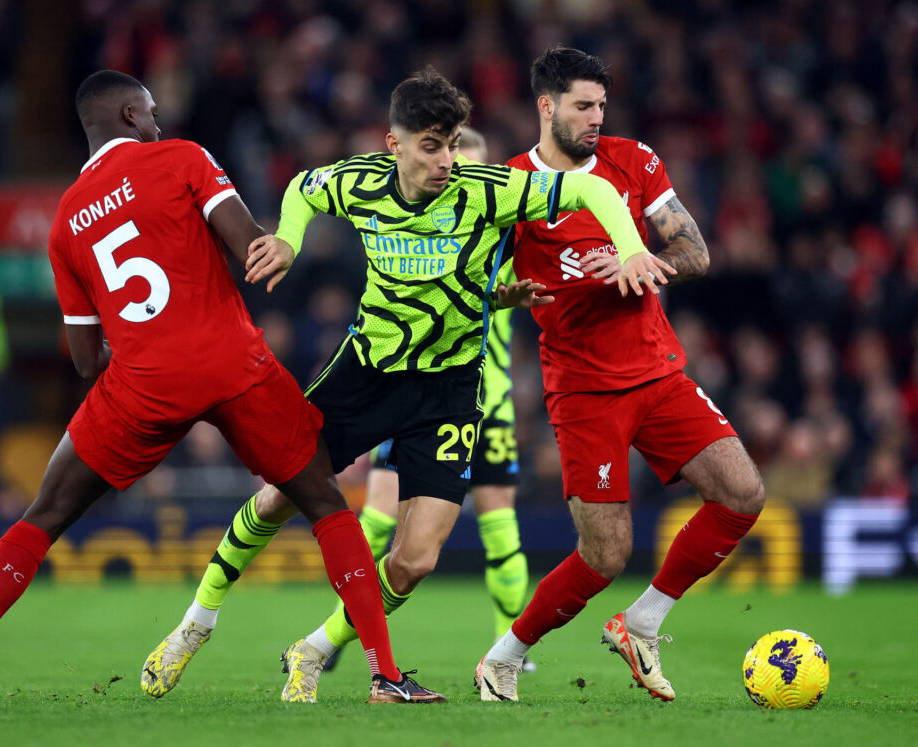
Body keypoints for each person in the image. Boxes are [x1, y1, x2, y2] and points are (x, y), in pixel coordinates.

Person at [0, 70, 442, 706]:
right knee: (323, 503)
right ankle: (385, 676)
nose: (157, 121)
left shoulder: (66, 220)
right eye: (150, 112)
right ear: (130, 114)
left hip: (144, 382)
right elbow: (250, 248)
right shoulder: (183, 157)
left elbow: (81, 358)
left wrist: (135, 345)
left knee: (42, 515)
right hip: (232, 363)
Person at [142, 67, 672, 704]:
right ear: (394, 145)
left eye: (451, 143)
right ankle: (195, 624)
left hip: (448, 389)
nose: (447, 159)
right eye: (431, 145)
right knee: (282, 495)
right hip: (367, 373)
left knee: (417, 559)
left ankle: (313, 649)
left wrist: (630, 247)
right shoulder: (358, 181)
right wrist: (286, 240)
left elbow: (594, 195)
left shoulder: (489, 190)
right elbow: (303, 189)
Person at [475, 46, 765, 703]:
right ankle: (502, 657)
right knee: (606, 553)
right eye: (583, 105)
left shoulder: (635, 161)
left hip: (657, 371)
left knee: (742, 494)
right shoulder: (512, 189)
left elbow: (695, 248)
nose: (596, 117)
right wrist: (507, 296)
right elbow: (473, 287)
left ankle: (642, 622)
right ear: (546, 107)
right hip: (582, 387)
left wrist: (650, 264)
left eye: (601, 104)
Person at [323, 126, 533, 674]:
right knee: (375, 521)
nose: (464, 171)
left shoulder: (514, 236)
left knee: (499, 527)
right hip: (417, 389)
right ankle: (343, 632)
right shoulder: (429, 225)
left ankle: (507, 650)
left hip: (489, 398)